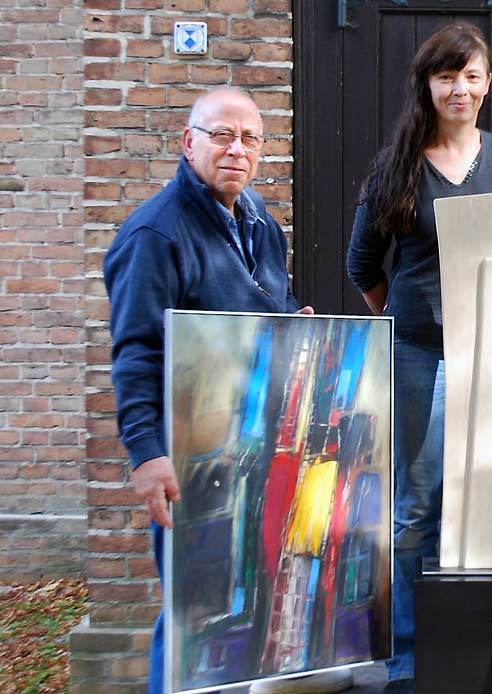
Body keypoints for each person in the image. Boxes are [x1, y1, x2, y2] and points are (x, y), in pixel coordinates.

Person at [104, 87, 352, 694]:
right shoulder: (155, 236)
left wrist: (295, 328)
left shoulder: (260, 221)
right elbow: (135, 352)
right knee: (193, 618)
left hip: (259, 449)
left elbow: (265, 311)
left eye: (249, 139)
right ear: (188, 143)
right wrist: (146, 452)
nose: (236, 149)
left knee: (247, 607)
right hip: (192, 456)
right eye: (221, 135)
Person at [346, 21, 492, 694]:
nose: (461, 88)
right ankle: (406, 658)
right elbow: (361, 262)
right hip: (420, 355)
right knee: (417, 506)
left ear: (487, 84)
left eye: (472, 75)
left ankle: (471, 653)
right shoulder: (397, 164)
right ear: (427, 84)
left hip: (489, 354)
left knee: (480, 499)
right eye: (447, 75)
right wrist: (406, 316)